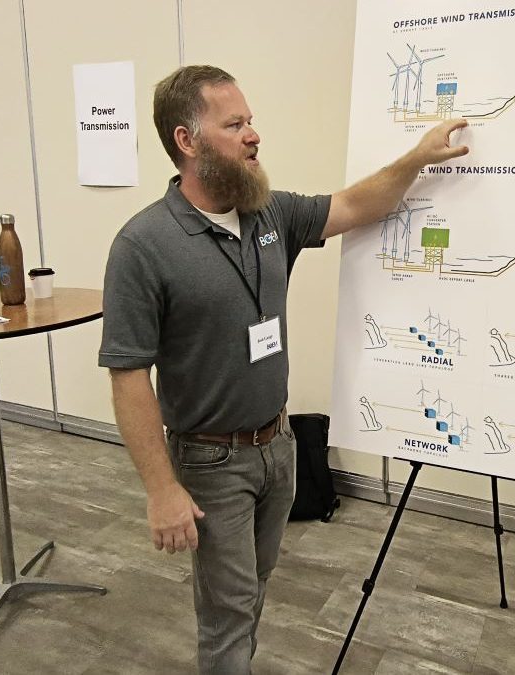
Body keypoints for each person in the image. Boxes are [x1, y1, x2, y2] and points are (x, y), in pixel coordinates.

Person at [98, 64, 468, 674]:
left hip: (279, 444)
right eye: (235, 123)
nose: (254, 135)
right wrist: (162, 490)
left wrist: (418, 157)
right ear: (187, 141)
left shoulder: (269, 215)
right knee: (228, 608)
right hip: (211, 460)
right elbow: (128, 374)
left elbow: (357, 202)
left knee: (253, 586)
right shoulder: (143, 246)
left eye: (252, 121)